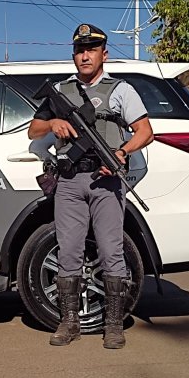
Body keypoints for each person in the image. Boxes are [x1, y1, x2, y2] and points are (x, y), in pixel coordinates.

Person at [28, 24, 154, 349]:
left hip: (106, 180)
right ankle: (69, 323)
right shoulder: (61, 91)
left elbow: (145, 131)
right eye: (80, 51)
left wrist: (122, 152)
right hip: (69, 180)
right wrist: (53, 122)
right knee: (68, 250)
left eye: (92, 50)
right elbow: (33, 130)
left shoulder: (120, 90)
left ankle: (114, 325)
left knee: (111, 249)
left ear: (104, 54)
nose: (85, 55)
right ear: (74, 56)